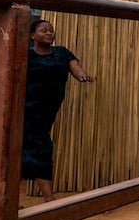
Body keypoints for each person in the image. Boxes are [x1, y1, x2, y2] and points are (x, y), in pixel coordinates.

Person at [22, 18, 94, 201]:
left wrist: (83, 76)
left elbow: (75, 67)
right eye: (44, 30)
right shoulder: (25, 55)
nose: (49, 33)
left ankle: (11, 204)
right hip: (27, 110)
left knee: (27, 150)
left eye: (51, 30)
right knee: (40, 147)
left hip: (47, 111)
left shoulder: (61, 53)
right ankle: (49, 198)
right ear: (32, 35)